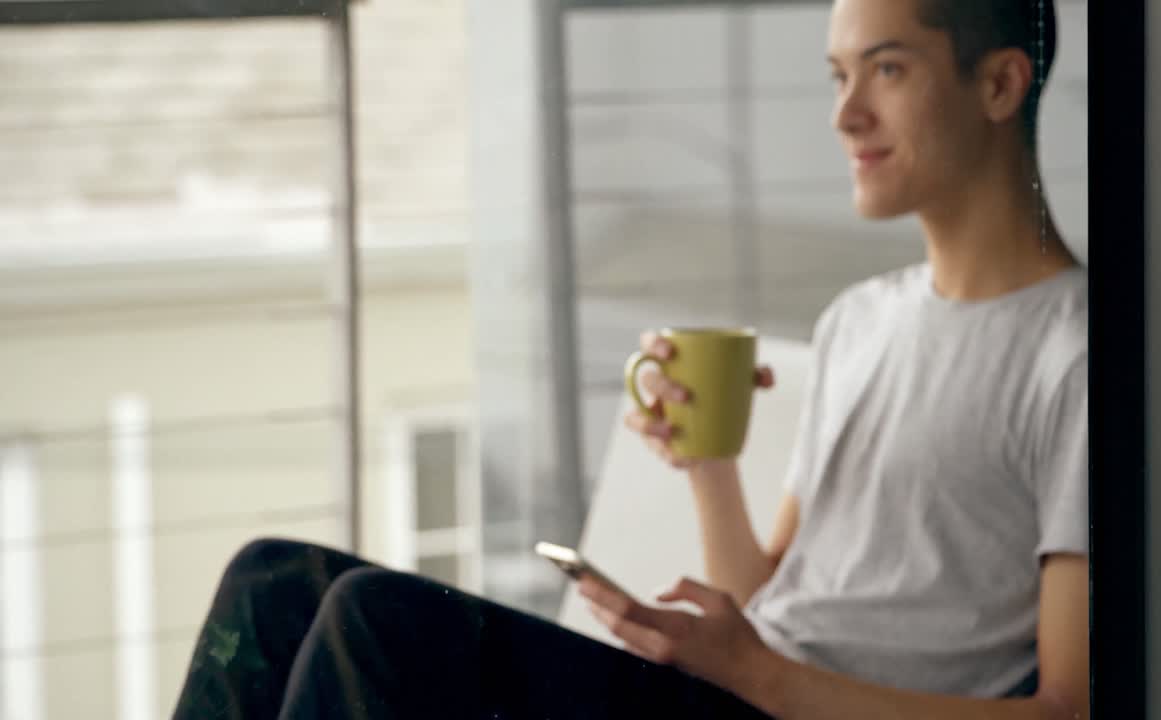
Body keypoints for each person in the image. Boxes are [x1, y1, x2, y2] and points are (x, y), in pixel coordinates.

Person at [171, 0, 1088, 717]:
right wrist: (708, 468)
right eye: (839, 74)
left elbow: (1071, 708)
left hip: (784, 709)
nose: (847, 114)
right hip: (734, 694)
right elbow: (770, 595)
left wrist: (766, 681)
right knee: (273, 583)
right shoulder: (862, 321)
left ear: (1001, 85)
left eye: (887, 69)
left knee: (373, 623)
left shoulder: (1076, 353)